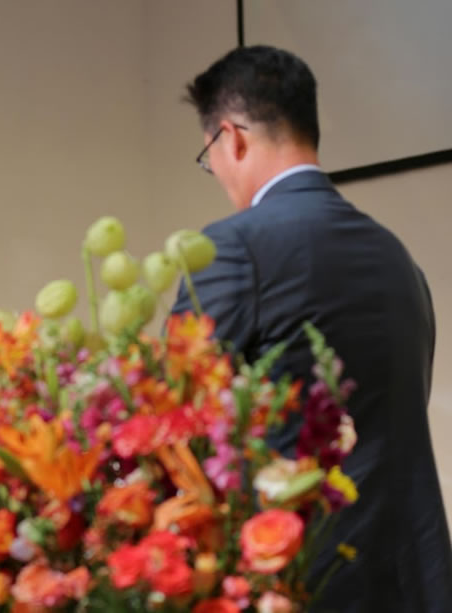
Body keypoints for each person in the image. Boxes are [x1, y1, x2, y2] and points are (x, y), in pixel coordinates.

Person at [173, 44, 452, 612]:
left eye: (209, 156)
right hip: (415, 582)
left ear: (232, 138)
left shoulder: (232, 248)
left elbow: (177, 425)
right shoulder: (399, 259)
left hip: (301, 582)